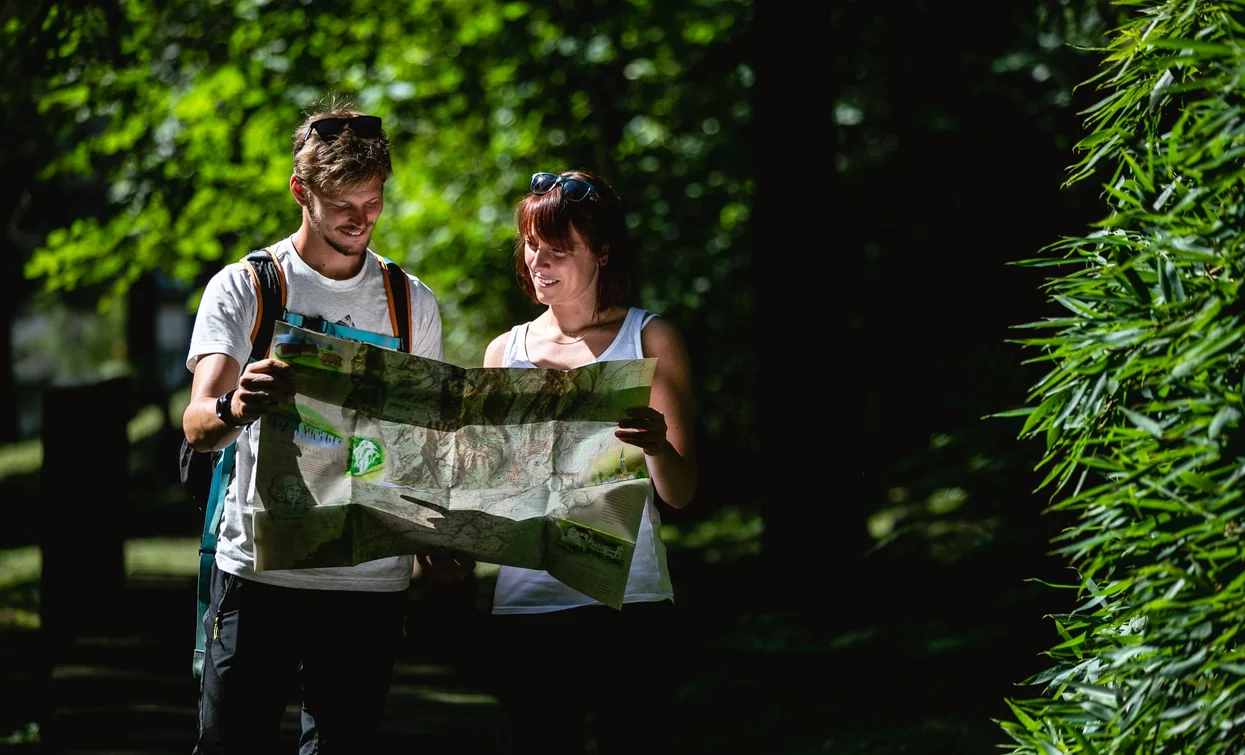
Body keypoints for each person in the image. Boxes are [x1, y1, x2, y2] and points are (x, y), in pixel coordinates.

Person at [182, 103, 444, 754]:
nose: (363, 219)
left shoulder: (410, 301)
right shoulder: (246, 288)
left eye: (374, 201)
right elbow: (195, 424)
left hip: (369, 583)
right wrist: (235, 406)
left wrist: (443, 529)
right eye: (344, 205)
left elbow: (428, 442)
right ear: (302, 192)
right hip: (260, 574)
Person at [481, 169, 699, 754]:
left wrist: (655, 446)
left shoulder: (648, 338)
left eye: (558, 250)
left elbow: (680, 492)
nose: (538, 261)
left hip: (629, 600)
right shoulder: (506, 352)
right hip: (529, 601)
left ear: (602, 253)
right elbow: (496, 487)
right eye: (530, 245)